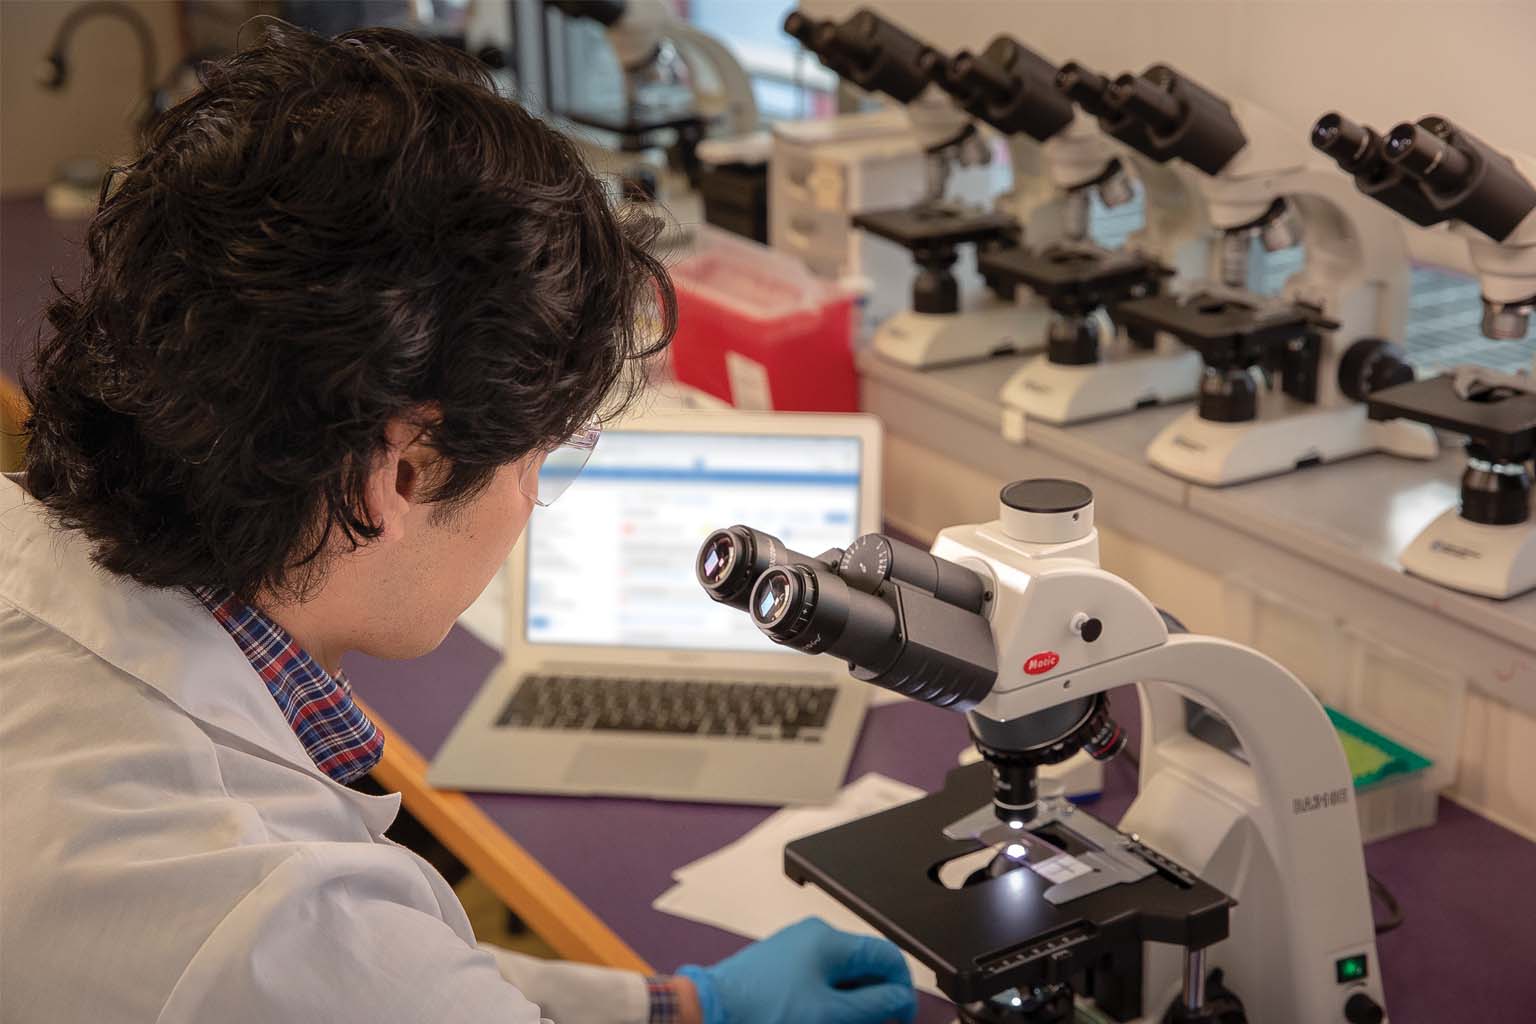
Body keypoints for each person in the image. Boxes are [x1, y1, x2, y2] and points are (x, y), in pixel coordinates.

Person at [0, 24, 917, 1024]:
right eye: (542, 461)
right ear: (398, 474)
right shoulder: (280, 928)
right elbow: (356, 973)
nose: (529, 502)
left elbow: (410, 976)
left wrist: (677, 1008)